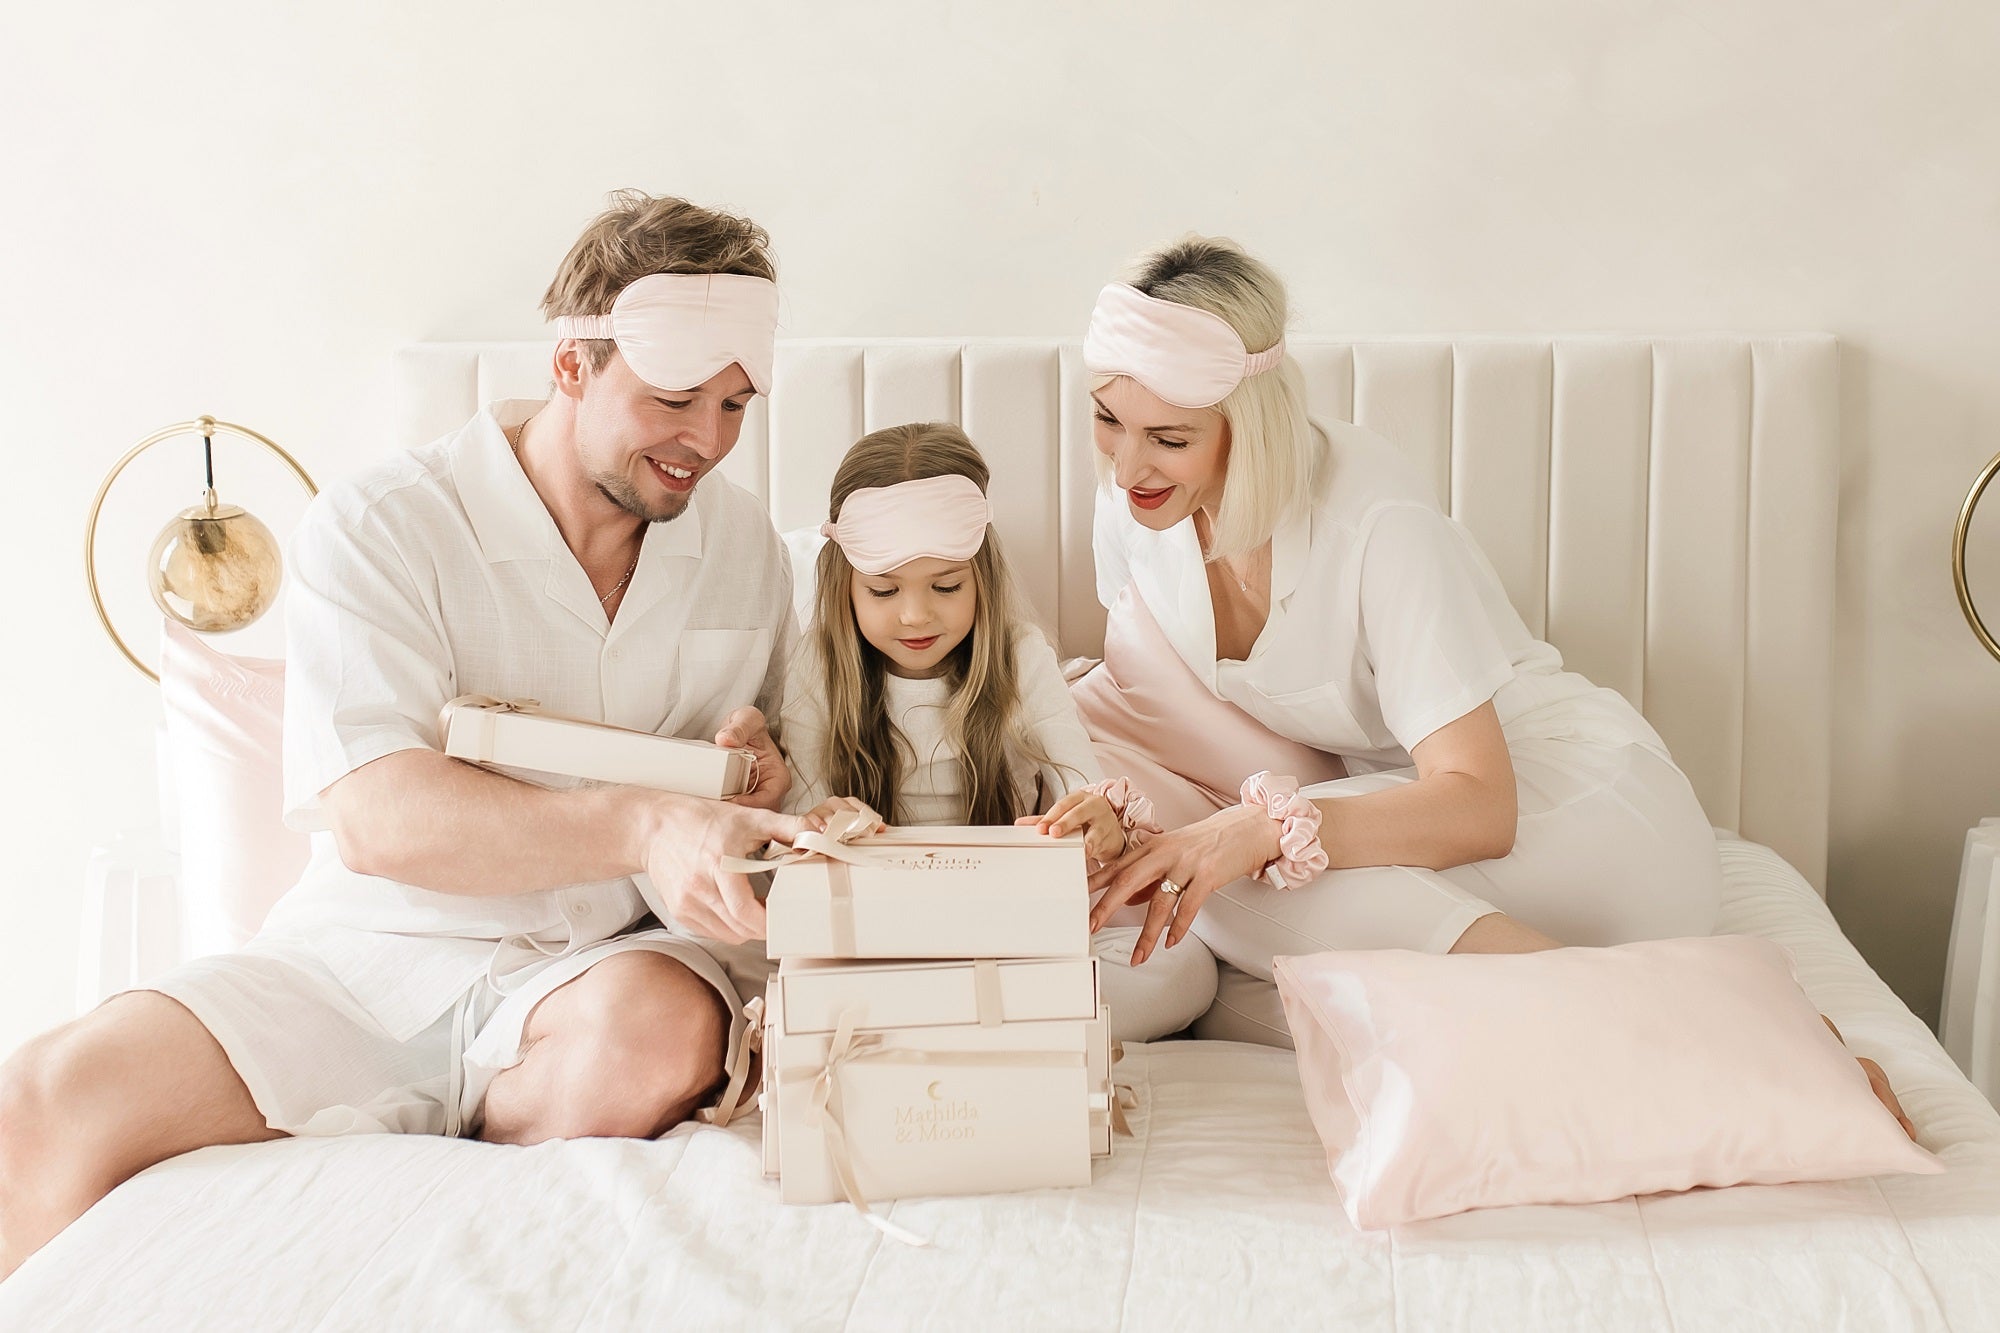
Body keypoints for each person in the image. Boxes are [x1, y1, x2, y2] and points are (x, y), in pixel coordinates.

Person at [0, 191, 807, 1279]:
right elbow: (378, 816)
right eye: (674, 399)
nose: (706, 440)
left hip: (604, 967)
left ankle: (436, 1179)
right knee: (40, 1102)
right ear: (572, 365)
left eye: (735, 404)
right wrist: (646, 823)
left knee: (653, 1035)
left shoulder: (747, 548)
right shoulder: (381, 522)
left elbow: (779, 776)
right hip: (365, 958)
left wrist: (757, 773)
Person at [1072, 236, 1913, 1135]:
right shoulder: (1138, 513)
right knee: (1222, 929)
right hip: (1420, 839)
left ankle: (1749, 1034)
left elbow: (1480, 803)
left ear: (1252, 422)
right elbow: (1150, 706)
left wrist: (1255, 829)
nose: (1127, 467)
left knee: (1231, 882)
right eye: (1108, 421)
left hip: (1572, 810)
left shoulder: (1375, 519)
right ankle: (1617, 1034)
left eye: (1169, 439)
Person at [778, 422, 1219, 1040]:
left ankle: (935, 1018)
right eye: (883, 590)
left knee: (1187, 968)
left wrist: (1096, 824)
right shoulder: (816, 668)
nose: (915, 614)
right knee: (770, 963)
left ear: (981, 575)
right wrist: (824, 823)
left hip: (1007, 927)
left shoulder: (1020, 656)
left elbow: (1082, 787)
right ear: (843, 583)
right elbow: (797, 824)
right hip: (874, 931)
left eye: (946, 586)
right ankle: (993, 1021)